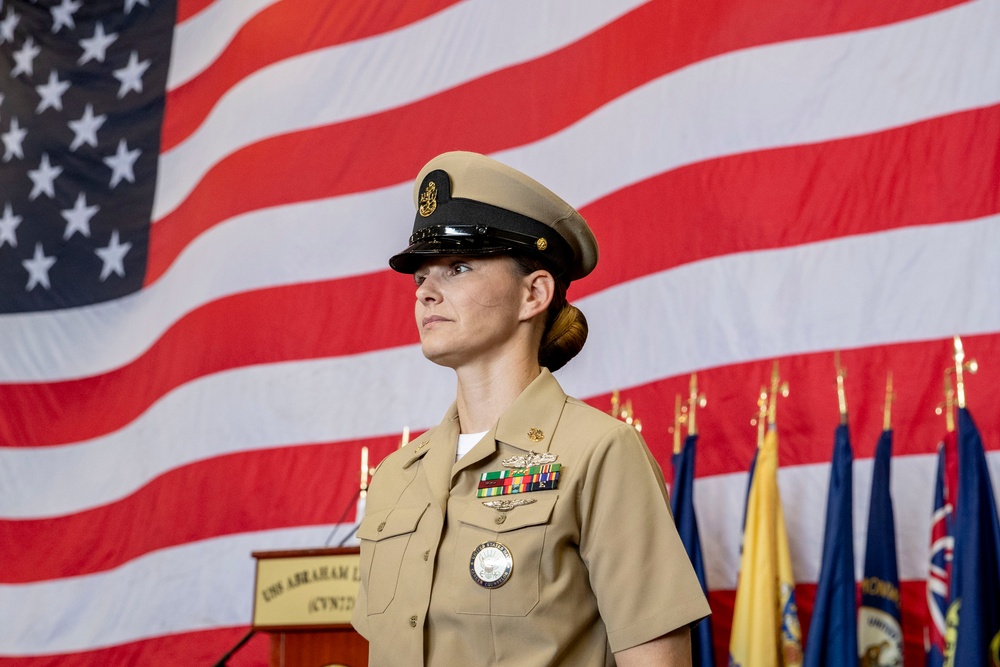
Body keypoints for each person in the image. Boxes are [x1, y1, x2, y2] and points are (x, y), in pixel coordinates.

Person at [351, 151, 710, 666]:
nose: (426, 292)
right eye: (420, 277)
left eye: (458, 267)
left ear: (534, 293)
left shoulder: (599, 454)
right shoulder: (395, 478)